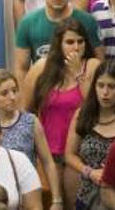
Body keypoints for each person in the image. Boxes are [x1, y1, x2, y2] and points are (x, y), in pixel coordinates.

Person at [21, 19, 100, 189]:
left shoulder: (92, 66)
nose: (76, 47)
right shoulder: (41, 68)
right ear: (59, 44)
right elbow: (25, 112)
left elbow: (95, 108)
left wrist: (79, 73)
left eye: (81, 41)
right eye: (70, 42)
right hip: (48, 154)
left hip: (80, 155)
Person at [0, 70, 61, 207]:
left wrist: (57, 200)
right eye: (4, 93)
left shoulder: (30, 121)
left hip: (28, 196)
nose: (12, 97)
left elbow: (48, 162)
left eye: (14, 91)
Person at [63, 60, 115, 210]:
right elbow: (69, 155)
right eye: (100, 85)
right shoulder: (83, 114)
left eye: (112, 86)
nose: (105, 92)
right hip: (87, 197)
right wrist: (90, 172)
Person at [15, 0, 102, 82]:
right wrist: (24, 98)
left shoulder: (87, 21)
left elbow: (99, 63)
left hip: (79, 90)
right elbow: (21, 69)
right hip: (43, 91)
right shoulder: (27, 23)